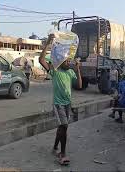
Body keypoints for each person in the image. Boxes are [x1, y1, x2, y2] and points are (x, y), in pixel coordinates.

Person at [39, 34, 82, 165]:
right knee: (64, 126)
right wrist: (48, 42)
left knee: (63, 128)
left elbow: (79, 85)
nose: (69, 62)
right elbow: (41, 60)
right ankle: (62, 154)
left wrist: (78, 69)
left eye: (70, 61)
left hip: (67, 104)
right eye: (67, 61)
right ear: (61, 61)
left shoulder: (70, 72)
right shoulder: (55, 71)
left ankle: (54, 148)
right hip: (58, 104)